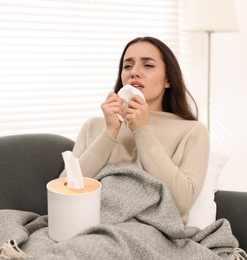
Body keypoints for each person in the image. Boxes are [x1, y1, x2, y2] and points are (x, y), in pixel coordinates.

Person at [71, 36, 209, 224]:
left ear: (168, 79)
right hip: (88, 222)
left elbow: (181, 202)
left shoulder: (192, 131)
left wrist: (142, 130)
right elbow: (66, 189)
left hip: (150, 231)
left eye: (148, 65)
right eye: (127, 66)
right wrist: (110, 132)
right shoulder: (94, 126)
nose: (134, 72)